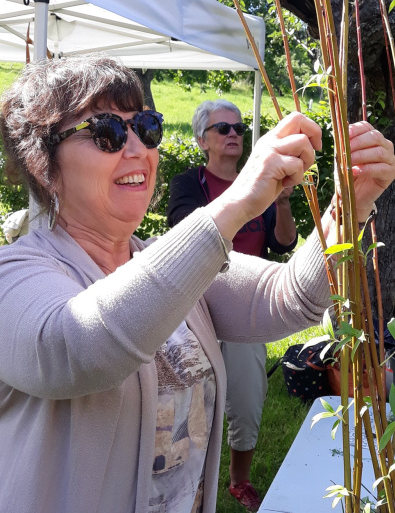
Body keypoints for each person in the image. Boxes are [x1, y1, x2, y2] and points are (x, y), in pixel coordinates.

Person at [0, 54, 395, 513]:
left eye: (146, 127)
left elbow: (292, 299)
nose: (137, 148)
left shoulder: (165, 262)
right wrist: (236, 202)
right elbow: (76, 349)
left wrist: (348, 207)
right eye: (107, 132)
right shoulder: (1, 277)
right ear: (44, 167)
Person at [166, 100, 296, 511]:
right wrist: (250, 196)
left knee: (247, 392)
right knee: (191, 398)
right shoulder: (188, 183)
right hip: (198, 303)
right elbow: (186, 232)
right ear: (202, 140)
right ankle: (190, 481)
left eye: (239, 128)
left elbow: (285, 243)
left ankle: (239, 480)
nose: (235, 134)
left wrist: (283, 200)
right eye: (223, 129)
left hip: (246, 307)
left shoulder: (262, 185)